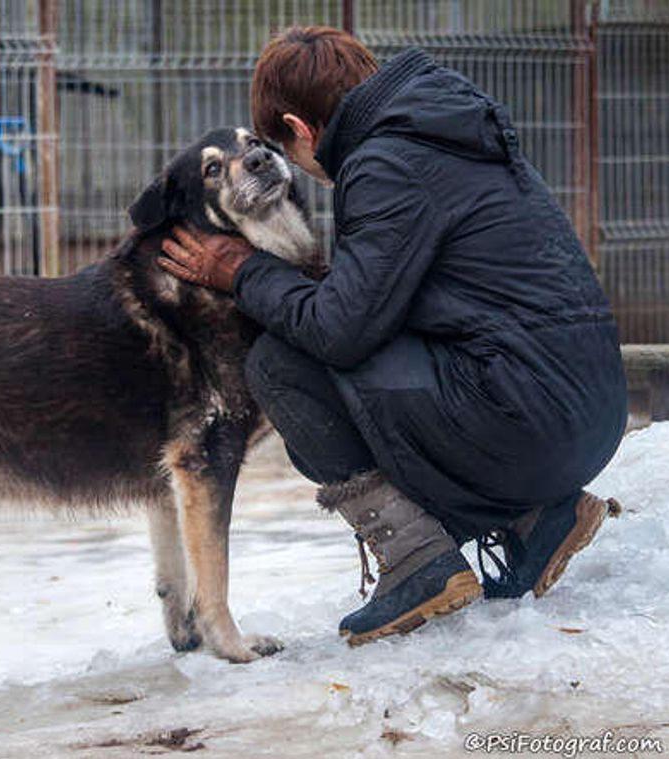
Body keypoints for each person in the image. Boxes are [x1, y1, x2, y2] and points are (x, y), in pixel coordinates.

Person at [158, 26, 627, 645]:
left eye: (280, 146)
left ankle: (416, 560)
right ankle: (534, 519)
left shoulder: (385, 165)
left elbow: (338, 331)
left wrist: (241, 270)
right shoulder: (445, 130)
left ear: (300, 128)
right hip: (587, 414)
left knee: (282, 366)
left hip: (530, 422)